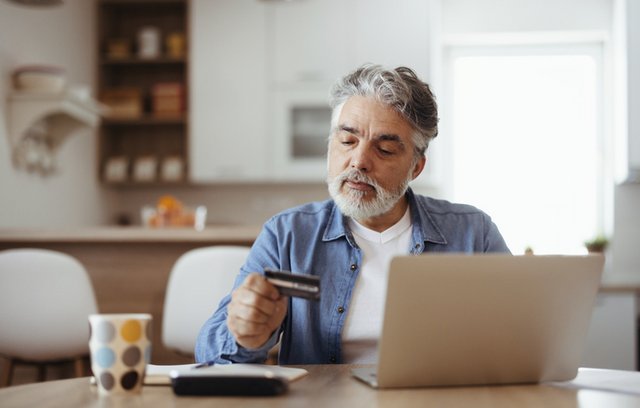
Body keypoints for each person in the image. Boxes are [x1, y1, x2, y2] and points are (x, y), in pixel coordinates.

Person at [195, 64, 510, 365]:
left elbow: (521, 337)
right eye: (347, 141)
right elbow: (210, 354)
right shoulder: (287, 234)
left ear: (416, 167)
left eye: (384, 150)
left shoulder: (473, 233)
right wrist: (246, 336)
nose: (358, 161)